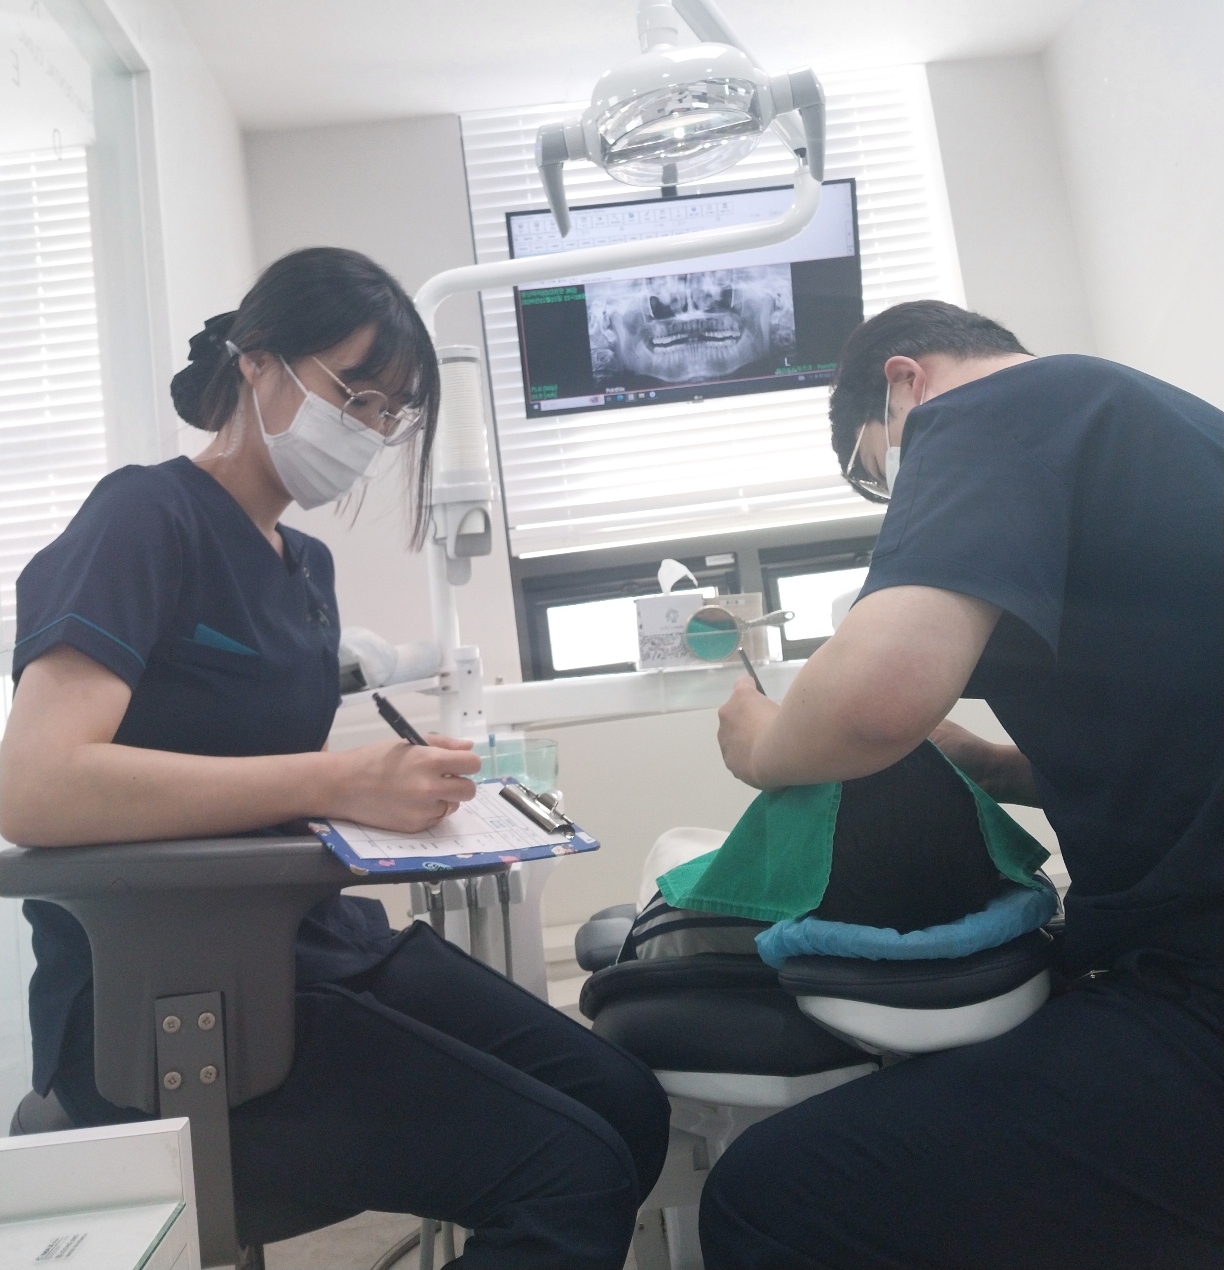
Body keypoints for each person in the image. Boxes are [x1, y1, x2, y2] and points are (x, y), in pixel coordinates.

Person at [0, 247, 668, 1269]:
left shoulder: (304, 567)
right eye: (356, 396)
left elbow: (252, 778)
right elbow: (35, 787)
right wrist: (338, 781)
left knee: (626, 1107)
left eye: (390, 414)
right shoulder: (144, 518)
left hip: (313, 943)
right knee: (570, 1173)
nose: (370, 431)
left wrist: (407, 794)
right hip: (166, 1005)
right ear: (257, 363)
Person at [701, 300, 1223, 1270]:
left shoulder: (992, 408)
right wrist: (990, 766)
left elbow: (874, 702)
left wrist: (763, 746)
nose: (899, 499)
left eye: (879, 474)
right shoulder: (1162, 429)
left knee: (772, 1193)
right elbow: (1174, 746)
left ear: (905, 382)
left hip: (1203, 994)